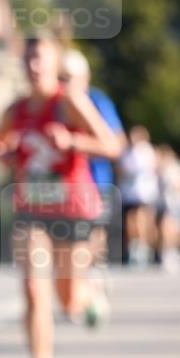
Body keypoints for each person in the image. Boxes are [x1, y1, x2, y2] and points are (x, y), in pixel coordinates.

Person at [0, 34, 121, 358]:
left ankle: (89, 294)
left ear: (54, 65)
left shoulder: (68, 103)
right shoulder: (16, 109)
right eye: (29, 59)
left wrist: (73, 142)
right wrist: (4, 152)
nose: (34, 66)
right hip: (30, 210)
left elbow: (113, 146)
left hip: (71, 209)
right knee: (34, 290)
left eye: (40, 60)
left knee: (68, 301)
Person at [60, 48, 126, 321]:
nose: (66, 83)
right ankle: (84, 288)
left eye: (71, 77)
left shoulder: (97, 101)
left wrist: (80, 144)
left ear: (85, 78)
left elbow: (117, 143)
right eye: (62, 77)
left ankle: (91, 283)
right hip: (64, 190)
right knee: (71, 248)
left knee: (89, 244)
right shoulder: (56, 104)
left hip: (96, 184)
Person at [117, 125, 159, 267]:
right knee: (130, 221)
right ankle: (134, 246)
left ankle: (144, 247)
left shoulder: (147, 151)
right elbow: (120, 170)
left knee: (142, 220)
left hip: (144, 193)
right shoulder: (127, 152)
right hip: (129, 193)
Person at [155, 144, 180, 273]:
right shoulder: (163, 169)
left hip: (175, 203)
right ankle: (168, 253)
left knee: (171, 229)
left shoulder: (175, 167)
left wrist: (177, 187)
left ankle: (173, 253)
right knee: (168, 228)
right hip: (166, 204)